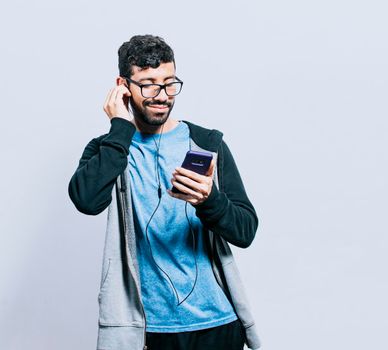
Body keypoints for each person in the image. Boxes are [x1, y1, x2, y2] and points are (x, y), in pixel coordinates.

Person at [68, 34, 260, 350]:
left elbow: (246, 230)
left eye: (170, 83)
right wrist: (120, 128)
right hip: (147, 331)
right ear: (123, 85)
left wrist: (208, 200)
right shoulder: (109, 149)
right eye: (148, 84)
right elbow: (86, 201)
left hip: (217, 326)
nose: (162, 95)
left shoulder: (206, 144)